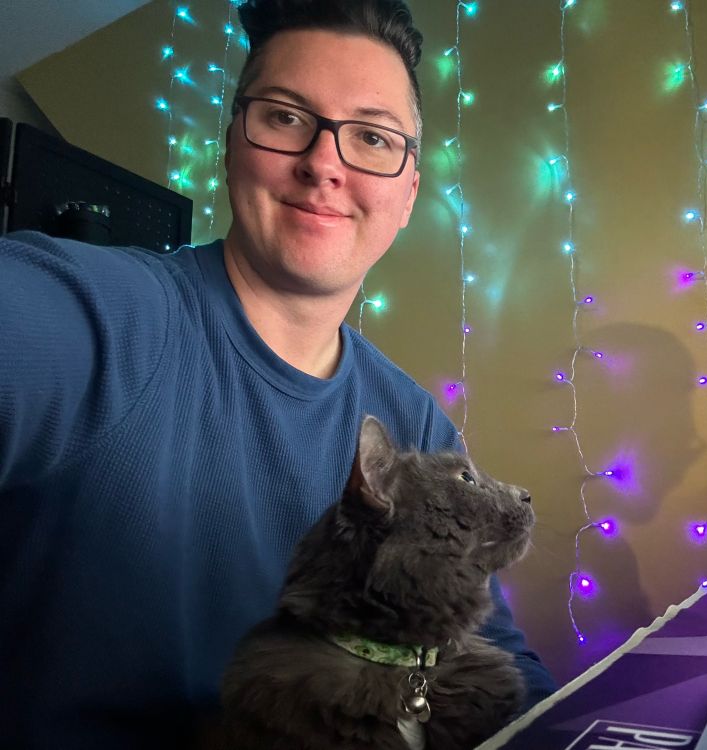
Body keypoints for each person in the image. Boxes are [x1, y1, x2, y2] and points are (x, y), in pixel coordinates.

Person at [0, 1, 556, 747]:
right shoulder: (96, 318)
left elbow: (499, 658)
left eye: (371, 136)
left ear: (408, 193)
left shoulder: (415, 423)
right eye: (287, 117)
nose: (324, 162)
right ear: (231, 143)